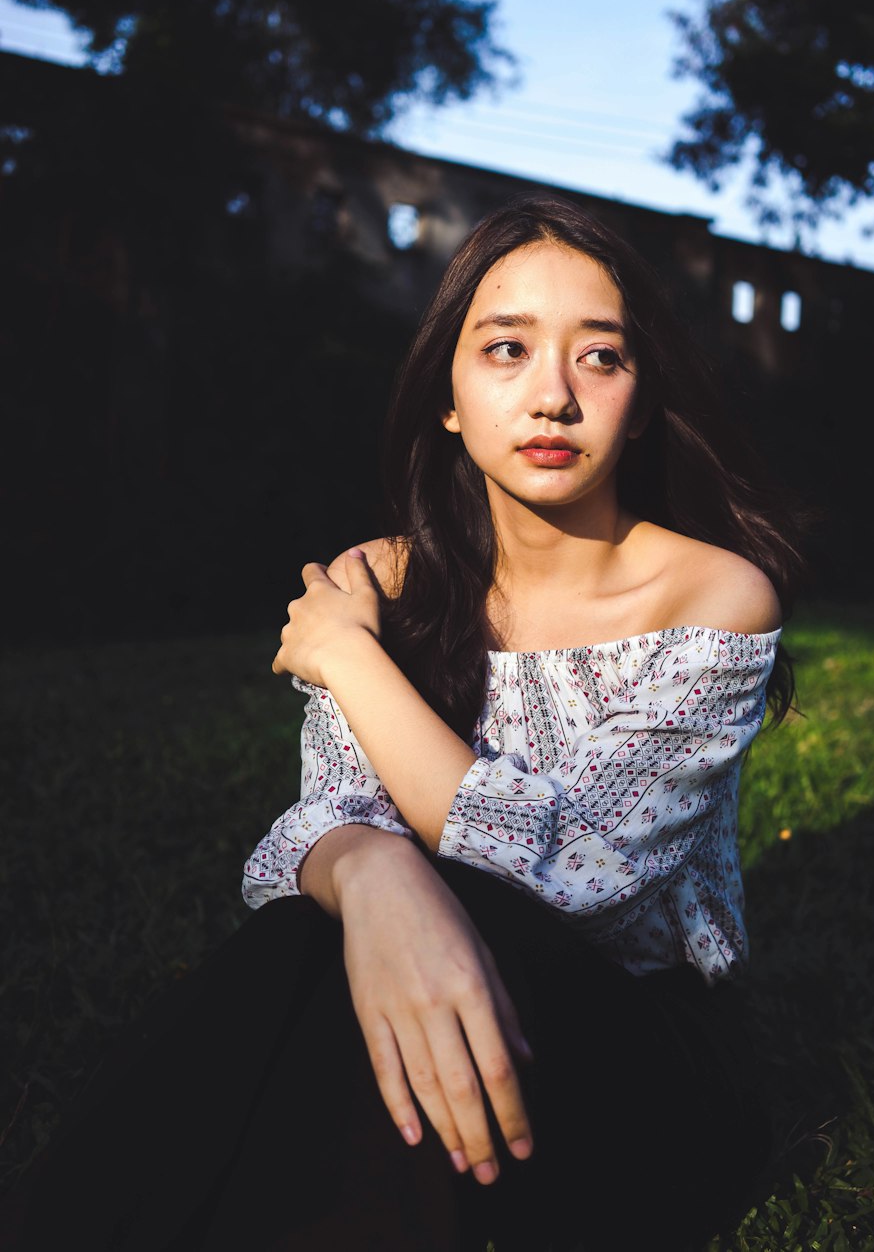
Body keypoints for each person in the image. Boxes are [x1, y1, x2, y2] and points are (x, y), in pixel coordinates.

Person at [16, 196, 803, 1252]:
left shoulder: (713, 596)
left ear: (643, 394)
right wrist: (375, 875)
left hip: (636, 1052)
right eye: (507, 349)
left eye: (600, 359)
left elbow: (589, 887)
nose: (552, 397)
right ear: (447, 393)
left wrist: (348, 659)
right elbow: (312, 830)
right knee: (310, 934)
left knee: (378, 948)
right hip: (424, 1001)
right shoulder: (380, 581)